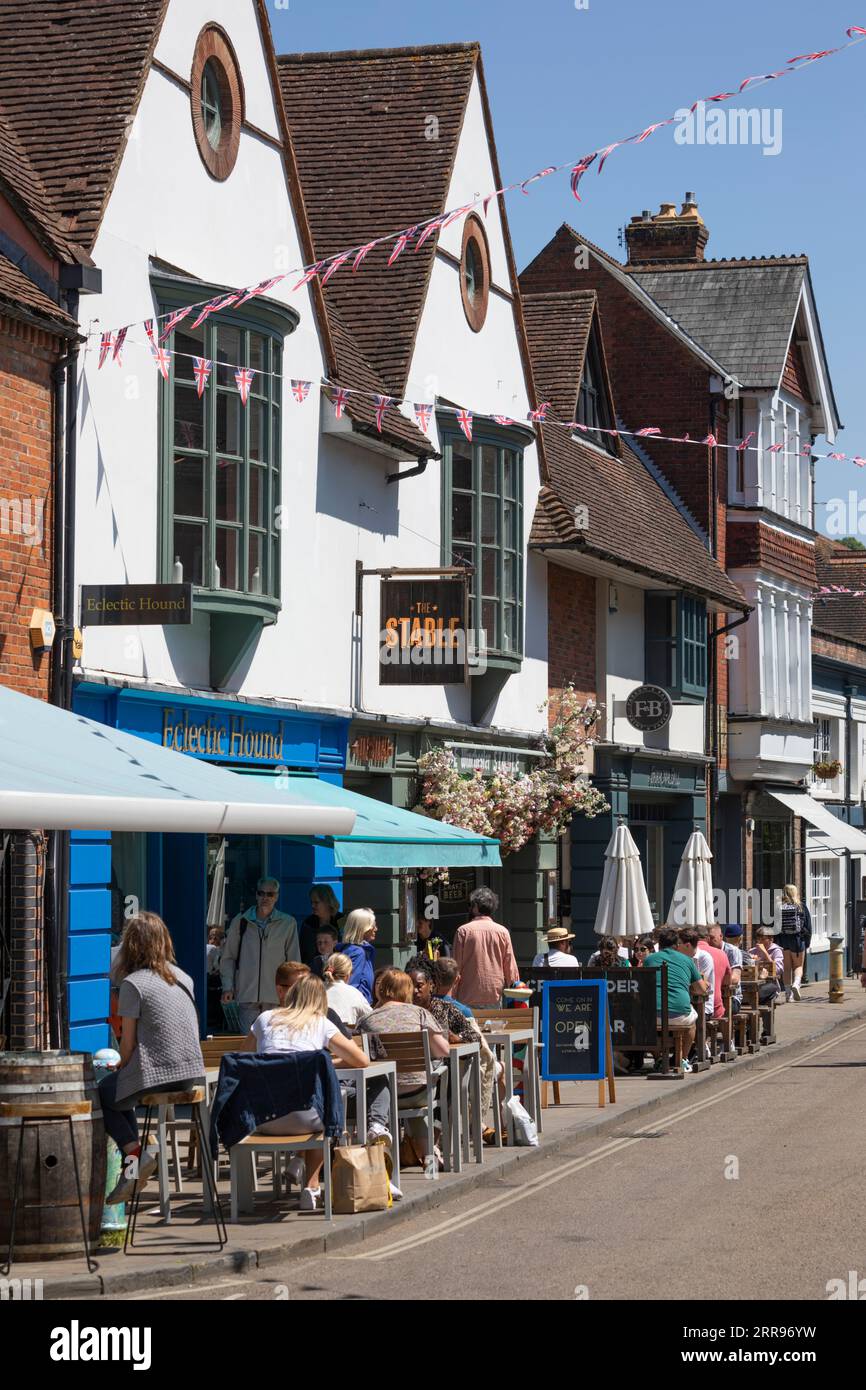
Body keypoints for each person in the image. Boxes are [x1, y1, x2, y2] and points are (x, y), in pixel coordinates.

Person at [245, 974, 383, 1209]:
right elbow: (361, 1060)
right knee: (326, 1103)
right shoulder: (321, 1023)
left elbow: (244, 1057)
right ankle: (312, 1186)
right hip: (304, 1119)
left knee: (310, 1100)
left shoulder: (264, 1018)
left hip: (261, 1118)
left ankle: (295, 1178)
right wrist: (325, 1062)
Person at [99, 913, 206, 1205]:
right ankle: (132, 1169)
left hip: (158, 1073)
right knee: (122, 1092)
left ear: (131, 946)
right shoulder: (184, 977)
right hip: (190, 1072)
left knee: (103, 1092)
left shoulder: (133, 984)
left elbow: (128, 1045)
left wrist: (117, 1064)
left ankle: (133, 1155)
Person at [354, 967, 450, 1163]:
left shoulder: (366, 1020)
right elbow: (443, 1050)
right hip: (418, 1091)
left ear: (380, 990)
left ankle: (388, 1160)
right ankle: (429, 1156)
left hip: (383, 1094)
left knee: (390, 1083)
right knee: (417, 1100)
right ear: (406, 990)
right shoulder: (420, 1013)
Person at [220, 878, 300, 1032]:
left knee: (273, 1042)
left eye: (270, 894)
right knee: (248, 1043)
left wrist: (293, 993)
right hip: (246, 997)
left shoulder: (288, 923)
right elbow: (229, 957)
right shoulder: (241, 921)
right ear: (256, 895)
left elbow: (293, 962)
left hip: (276, 997)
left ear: (276, 897)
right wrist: (227, 987)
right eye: (261, 893)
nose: (265, 898)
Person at [643, 926, 708, 1068]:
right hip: (680, 1014)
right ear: (677, 945)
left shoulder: (649, 960)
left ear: (659, 945)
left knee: (647, 1026)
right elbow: (702, 990)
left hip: (654, 1015)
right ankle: (683, 1058)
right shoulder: (687, 960)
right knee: (693, 1021)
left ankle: (658, 1059)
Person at [452, 887, 519, 1008]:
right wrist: (515, 990)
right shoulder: (503, 932)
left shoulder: (463, 931)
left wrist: (451, 995)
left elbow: (456, 967)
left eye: (471, 905)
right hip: (494, 996)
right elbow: (510, 967)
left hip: (467, 996)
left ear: (476, 907)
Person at [274, 959, 351, 1037]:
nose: (307, 992)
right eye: (298, 988)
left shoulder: (326, 1015)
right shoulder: (269, 1020)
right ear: (280, 991)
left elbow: (349, 1047)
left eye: (309, 986)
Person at [776, 884, 812, 1001]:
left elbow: (775, 927)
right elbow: (808, 926)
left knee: (787, 968)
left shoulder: (779, 907)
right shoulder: (801, 907)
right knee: (798, 966)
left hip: (783, 940)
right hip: (797, 939)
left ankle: (788, 994)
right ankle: (796, 984)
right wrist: (807, 942)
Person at [323, 952, 373, 1027]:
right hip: (345, 1036)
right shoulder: (354, 993)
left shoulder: (315, 990)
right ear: (348, 975)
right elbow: (370, 1018)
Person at [298, 884, 343, 966]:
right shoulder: (308, 923)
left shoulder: (342, 920)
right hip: (313, 970)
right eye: (311, 902)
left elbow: (347, 946)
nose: (312, 906)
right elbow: (302, 950)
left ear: (327, 902)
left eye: (316, 902)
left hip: (338, 968)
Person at [341, 907, 378, 1003]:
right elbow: (352, 985)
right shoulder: (358, 953)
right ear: (363, 928)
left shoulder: (350, 950)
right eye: (373, 925)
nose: (376, 929)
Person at [699, 924, 731, 1021]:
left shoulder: (684, 952)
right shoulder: (721, 953)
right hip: (714, 1008)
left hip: (690, 1007)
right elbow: (727, 981)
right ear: (707, 938)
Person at [749, 926, 783, 1005]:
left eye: (762, 939)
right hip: (754, 984)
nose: (759, 941)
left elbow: (778, 969)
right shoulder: (752, 951)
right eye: (758, 938)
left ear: (771, 939)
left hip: (770, 984)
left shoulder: (776, 951)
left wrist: (765, 953)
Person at [722, 924, 744, 1014]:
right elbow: (735, 979)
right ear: (740, 938)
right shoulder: (736, 951)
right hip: (732, 998)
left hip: (727, 998)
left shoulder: (727, 950)